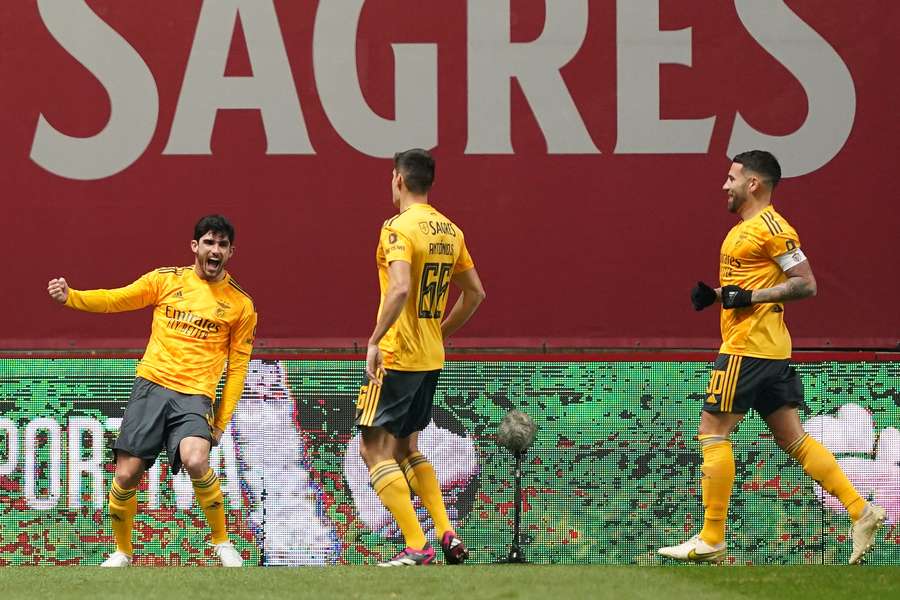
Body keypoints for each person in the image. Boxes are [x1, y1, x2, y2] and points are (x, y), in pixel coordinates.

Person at [658, 151, 886, 564]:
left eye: (731, 178)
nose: (724, 185)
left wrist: (750, 297)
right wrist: (716, 297)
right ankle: (861, 510)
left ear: (754, 184)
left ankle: (711, 538)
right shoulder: (744, 230)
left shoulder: (773, 228)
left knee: (712, 432)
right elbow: (750, 287)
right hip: (770, 349)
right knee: (794, 440)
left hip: (748, 349)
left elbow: (806, 285)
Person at [47, 215, 257, 567]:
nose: (215, 250)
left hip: (194, 396)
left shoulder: (241, 305)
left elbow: (237, 369)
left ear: (231, 252)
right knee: (126, 475)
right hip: (151, 387)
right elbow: (117, 299)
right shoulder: (165, 280)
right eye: (209, 242)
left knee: (195, 459)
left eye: (222, 245)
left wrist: (221, 421)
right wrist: (72, 298)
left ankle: (222, 543)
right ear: (195, 246)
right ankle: (122, 551)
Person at [356, 148, 486, 567]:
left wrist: (375, 339)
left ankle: (416, 545)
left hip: (397, 356)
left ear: (397, 178)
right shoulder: (451, 230)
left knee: (373, 449)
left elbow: (398, 288)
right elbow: (475, 294)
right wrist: (440, 331)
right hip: (430, 357)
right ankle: (446, 531)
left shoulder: (396, 228)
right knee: (407, 448)